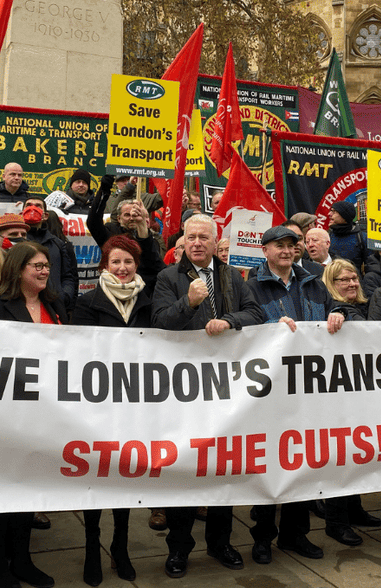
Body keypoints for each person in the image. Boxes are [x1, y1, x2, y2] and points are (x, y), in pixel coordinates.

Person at [151, 214, 263, 578]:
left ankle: (220, 542)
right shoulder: (169, 278)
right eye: (191, 237)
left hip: (226, 388)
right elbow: (159, 323)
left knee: (223, 468)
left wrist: (231, 322)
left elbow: (255, 312)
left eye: (204, 237)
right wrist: (190, 302)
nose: (197, 243)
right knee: (186, 469)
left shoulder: (233, 277)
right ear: (182, 242)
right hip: (186, 390)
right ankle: (179, 547)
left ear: (216, 243)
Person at [248, 225, 345, 561]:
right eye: (280, 246)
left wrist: (339, 312)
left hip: (308, 390)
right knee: (269, 468)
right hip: (270, 393)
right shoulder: (252, 285)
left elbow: (343, 309)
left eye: (292, 245)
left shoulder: (314, 282)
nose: (287, 251)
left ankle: (295, 535)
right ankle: (262, 537)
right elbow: (244, 322)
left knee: (303, 465)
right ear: (266, 250)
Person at [0, 241, 62, 588]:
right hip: (5, 411)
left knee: (29, 489)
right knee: (2, 489)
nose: (43, 271)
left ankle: (23, 559)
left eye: (45, 265)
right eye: (36, 266)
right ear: (17, 269)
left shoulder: (54, 306)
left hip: (43, 413)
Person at [71, 235, 150, 586]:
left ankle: (120, 544)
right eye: (115, 262)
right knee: (96, 476)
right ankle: (91, 545)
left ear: (136, 265)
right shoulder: (87, 302)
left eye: (128, 262)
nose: (122, 269)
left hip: (135, 402)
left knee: (125, 475)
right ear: (105, 265)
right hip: (98, 404)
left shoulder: (148, 303)